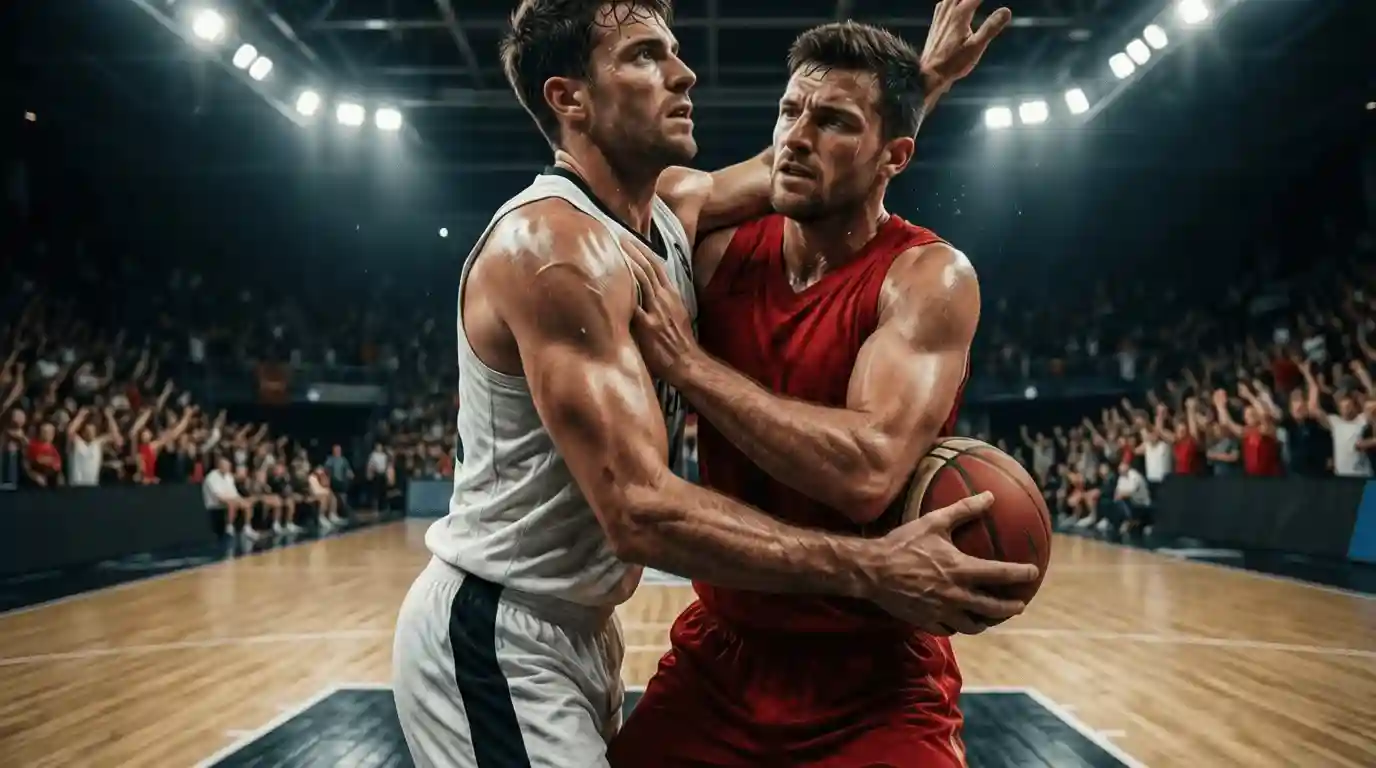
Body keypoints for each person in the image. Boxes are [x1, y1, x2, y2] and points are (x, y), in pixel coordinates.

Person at [390, 2, 1030, 767]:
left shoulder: (673, 216)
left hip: (590, 628)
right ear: (570, 99)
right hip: (505, 621)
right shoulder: (555, 247)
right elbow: (641, 512)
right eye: (643, 56)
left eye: (674, 50)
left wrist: (916, 82)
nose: (684, 71)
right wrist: (874, 568)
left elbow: (812, 157)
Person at [607, 16, 1012, 767]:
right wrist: (923, 80)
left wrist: (690, 365)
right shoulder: (710, 243)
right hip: (722, 660)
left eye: (830, 122)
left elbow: (868, 473)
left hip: (878, 676)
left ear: (897, 157)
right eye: (790, 111)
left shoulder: (927, 278)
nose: (796, 136)